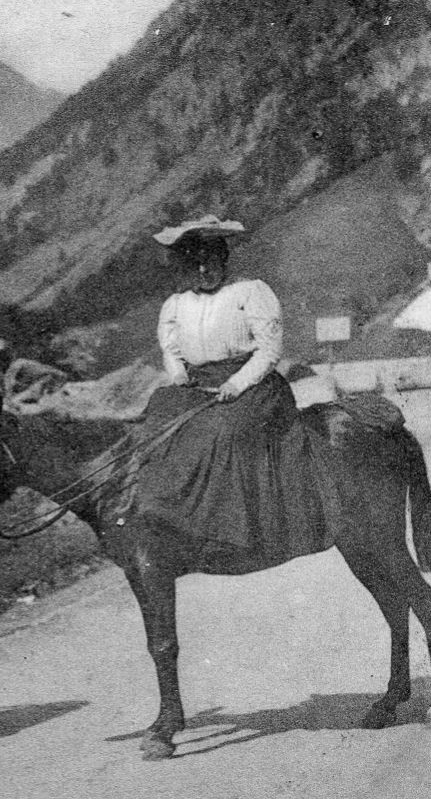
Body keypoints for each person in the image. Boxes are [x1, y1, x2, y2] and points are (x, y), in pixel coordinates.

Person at [141, 215, 331, 564]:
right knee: (158, 422)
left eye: (210, 262)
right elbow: (171, 349)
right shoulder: (177, 304)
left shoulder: (249, 292)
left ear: (222, 259)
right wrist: (178, 373)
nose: (204, 272)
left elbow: (269, 350)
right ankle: (172, 517)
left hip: (253, 385)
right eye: (195, 265)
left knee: (223, 432)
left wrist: (236, 383)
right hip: (200, 385)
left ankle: (237, 531)